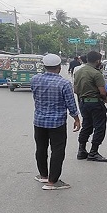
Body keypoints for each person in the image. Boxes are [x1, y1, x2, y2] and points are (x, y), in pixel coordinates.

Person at [31, 53, 81, 190]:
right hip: (57, 122)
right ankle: (53, 181)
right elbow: (70, 103)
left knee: (41, 148)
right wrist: (76, 118)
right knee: (57, 150)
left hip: (39, 121)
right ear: (59, 67)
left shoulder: (35, 79)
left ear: (44, 66)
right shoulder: (64, 83)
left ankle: (43, 175)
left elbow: (35, 97)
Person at [73, 51, 107, 162]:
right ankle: (93, 152)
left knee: (87, 125)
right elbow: (103, 92)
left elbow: (76, 90)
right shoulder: (96, 73)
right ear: (98, 61)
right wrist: (104, 98)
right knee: (99, 127)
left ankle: (81, 150)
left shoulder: (79, 72)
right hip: (95, 103)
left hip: (83, 103)